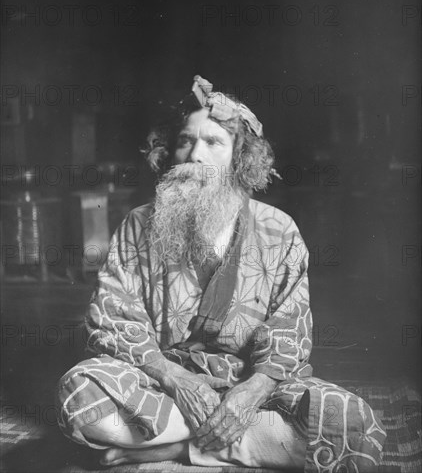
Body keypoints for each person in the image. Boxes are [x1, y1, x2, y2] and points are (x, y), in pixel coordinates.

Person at [56, 76, 386, 471]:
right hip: (164, 383)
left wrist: (247, 396)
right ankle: (237, 444)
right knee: (78, 397)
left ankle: (172, 448)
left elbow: (289, 335)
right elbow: (112, 320)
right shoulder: (137, 225)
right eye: (184, 141)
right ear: (169, 152)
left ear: (240, 158)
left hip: (249, 391)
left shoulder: (279, 230)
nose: (195, 154)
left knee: (353, 425)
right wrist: (177, 379)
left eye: (213, 142)